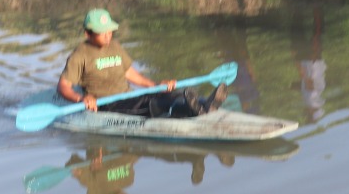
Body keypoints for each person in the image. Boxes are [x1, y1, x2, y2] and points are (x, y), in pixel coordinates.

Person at [57, 8, 225, 118]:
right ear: (88, 34)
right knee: (150, 105)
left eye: (110, 31)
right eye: (102, 33)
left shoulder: (114, 46)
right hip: (108, 104)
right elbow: (63, 86)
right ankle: (192, 109)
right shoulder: (79, 55)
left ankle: (204, 104)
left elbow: (129, 73)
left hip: (128, 95)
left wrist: (155, 85)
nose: (108, 36)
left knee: (165, 94)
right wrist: (82, 99)